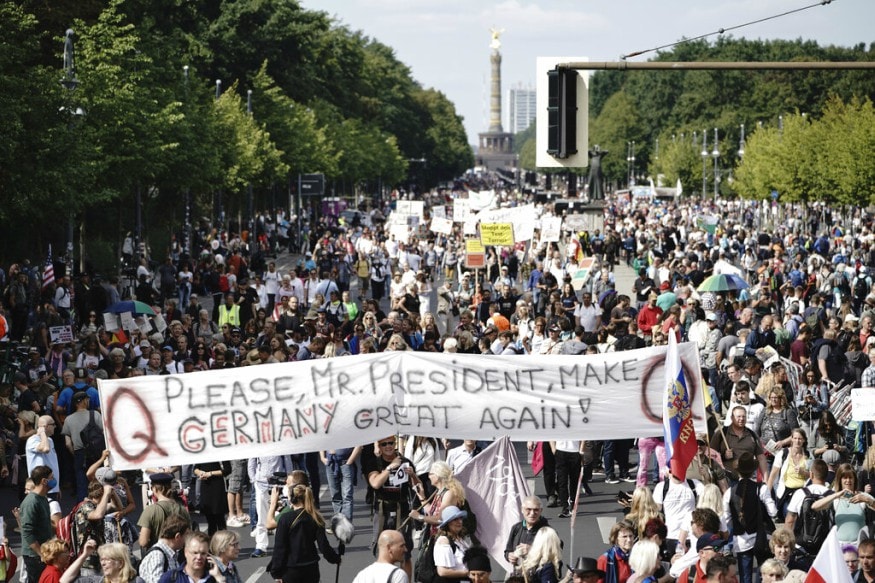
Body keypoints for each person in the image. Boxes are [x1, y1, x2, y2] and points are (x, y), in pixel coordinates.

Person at [365, 436, 420, 580]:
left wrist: (413, 476)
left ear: (395, 443)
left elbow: (419, 488)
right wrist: (390, 468)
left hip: (402, 509)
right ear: (379, 446)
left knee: (405, 552)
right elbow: (375, 483)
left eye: (391, 443)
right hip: (382, 510)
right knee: (383, 550)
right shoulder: (374, 463)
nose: (388, 447)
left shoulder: (405, 462)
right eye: (384, 444)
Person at [722, 452, 778, 583]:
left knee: (745, 577)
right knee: (764, 574)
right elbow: (773, 512)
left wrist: (738, 524)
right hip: (762, 537)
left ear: (738, 471)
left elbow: (727, 520)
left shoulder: (729, 492)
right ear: (753, 470)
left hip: (741, 539)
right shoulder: (761, 489)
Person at [269, 484, 341, 582]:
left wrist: (276, 572)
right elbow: (323, 546)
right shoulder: (316, 518)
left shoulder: (285, 519)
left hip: (291, 569)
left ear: (292, 499)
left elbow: (280, 548)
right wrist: (335, 558)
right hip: (311, 569)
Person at [812, 462, 875, 545]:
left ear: (854, 479)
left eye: (850, 477)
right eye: (845, 478)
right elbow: (814, 507)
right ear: (840, 480)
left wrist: (867, 500)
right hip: (839, 546)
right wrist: (836, 494)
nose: (848, 480)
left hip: (860, 546)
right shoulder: (835, 498)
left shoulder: (863, 496)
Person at [137, 473, 192, 551]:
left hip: (157, 555)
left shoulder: (150, 511)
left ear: (154, 489)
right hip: (178, 557)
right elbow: (189, 537)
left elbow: (143, 542)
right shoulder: (182, 509)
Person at [22, 466, 55, 583]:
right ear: (44, 481)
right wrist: (40, 553)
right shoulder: (32, 502)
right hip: (34, 556)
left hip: (44, 552)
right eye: (52, 478)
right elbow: (26, 531)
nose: (54, 480)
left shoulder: (43, 498)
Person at [137, 515, 190, 583]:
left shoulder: (172, 554)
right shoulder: (157, 556)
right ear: (177, 536)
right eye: (186, 535)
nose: (188, 539)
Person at [60, 541, 143, 583]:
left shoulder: (137, 581)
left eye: (107, 559)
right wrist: (85, 555)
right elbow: (64, 580)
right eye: (102, 559)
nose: (103, 563)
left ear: (120, 563)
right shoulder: (98, 581)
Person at [504, 495, 550, 569]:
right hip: (520, 575)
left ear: (541, 511)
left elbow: (554, 555)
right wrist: (509, 556)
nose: (532, 513)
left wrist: (532, 550)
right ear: (522, 510)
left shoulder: (548, 531)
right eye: (528, 509)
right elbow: (508, 550)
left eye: (536, 510)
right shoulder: (516, 528)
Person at [158, 531, 224, 583]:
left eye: (203, 553)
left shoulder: (213, 578)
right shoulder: (171, 578)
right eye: (195, 553)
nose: (199, 557)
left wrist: (219, 579)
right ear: (185, 552)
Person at [320, 445, 362, 522]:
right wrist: (322, 457)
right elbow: (321, 440)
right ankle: (338, 524)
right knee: (335, 495)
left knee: (347, 496)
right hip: (331, 463)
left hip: (346, 461)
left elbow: (359, 445)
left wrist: (349, 461)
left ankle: (346, 525)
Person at [432, 506, 473, 582]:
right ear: (447, 523)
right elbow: (442, 571)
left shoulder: (460, 540)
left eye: (460, 518)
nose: (459, 521)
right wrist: (468, 573)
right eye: (455, 519)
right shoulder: (444, 541)